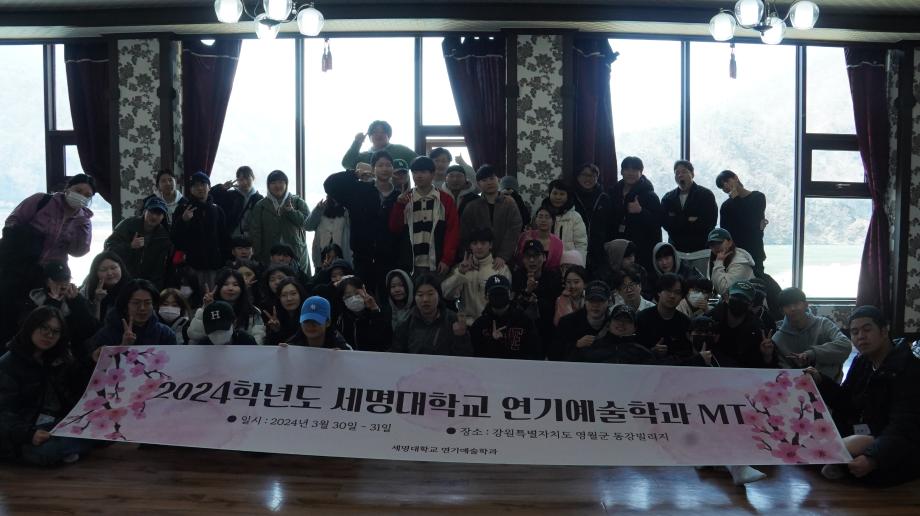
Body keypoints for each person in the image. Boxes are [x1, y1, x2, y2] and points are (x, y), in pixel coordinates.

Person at [812, 306, 920, 486]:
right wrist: (821, 381)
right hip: (866, 434)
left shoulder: (910, 369)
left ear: (884, 331)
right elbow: (846, 401)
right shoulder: (862, 361)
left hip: (894, 442)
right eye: (855, 332)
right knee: (811, 448)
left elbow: (904, 426)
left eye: (867, 330)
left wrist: (873, 458)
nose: (860, 336)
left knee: (865, 471)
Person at [0, 306, 95, 466]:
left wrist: (91, 361)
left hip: (53, 423)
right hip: (22, 432)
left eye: (55, 331)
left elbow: (77, 387)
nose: (49, 335)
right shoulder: (8, 365)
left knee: (98, 429)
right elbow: (3, 414)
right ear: (31, 327)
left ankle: (69, 448)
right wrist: (29, 434)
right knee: (47, 451)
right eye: (44, 328)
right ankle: (68, 449)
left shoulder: (57, 358)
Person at [324, 151, 402, 298]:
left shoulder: (399, 196)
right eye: (380, 165)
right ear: (373, 169)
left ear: (393, 169)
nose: (385, 168)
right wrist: (354, 174)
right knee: (363, 299)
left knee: (387, 301)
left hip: (389, 259)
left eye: (388, 165)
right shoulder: (360, 190)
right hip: (362, 258)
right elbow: (329, 185)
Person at [389, 156, 460, 276]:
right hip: (410, 264)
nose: (418, 176)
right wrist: (399, 206)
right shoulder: (405, 198)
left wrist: (447, 259)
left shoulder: (445, 199)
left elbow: (453, 231)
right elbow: (395, 228)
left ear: (432, 174)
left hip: (437, 263)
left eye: (423, 172)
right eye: (415, 172)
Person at [3, 173, 95, 266]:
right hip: (19, 262)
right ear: (68, 188)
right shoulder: (41, 200)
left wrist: (82, 224)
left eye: (87, 195)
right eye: (78, 191)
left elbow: (78, 252)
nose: (81, 196)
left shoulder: (84, 221)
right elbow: (12, 221)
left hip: (52, 270)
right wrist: (20, 239)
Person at [2, 261, 97, 349]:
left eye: (66, 279)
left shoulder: (76, 300)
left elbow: (90, 329)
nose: (63, 285)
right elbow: (32, 332)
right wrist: (53, 303)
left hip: (68, 353)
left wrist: (77, 302)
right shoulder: (32, 301)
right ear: (47, 282)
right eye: (58, 280)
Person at [772, 287, 852, 381]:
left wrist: (812, 354)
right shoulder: (778, 338)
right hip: (796, 384)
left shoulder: (823, 324)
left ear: (806, 305)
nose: (793, 308)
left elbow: (846, 345)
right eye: (787, 306)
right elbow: (783, 369)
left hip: (828, 382)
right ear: (782, 311)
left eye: (796, 303)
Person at [171, 172, 230, 289]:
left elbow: (224, 237)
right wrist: (183, 220)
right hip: (190, 266)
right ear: (190, 189)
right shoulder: (183, 208)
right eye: (195, 185)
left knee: (212, 295)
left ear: (209, 187)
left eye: (203, 184)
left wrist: (225, 260)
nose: (199, 188)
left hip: (214, 265)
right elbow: (174, 238)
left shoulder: (217, 210)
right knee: (191, 297)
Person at [442, 227, 512, 326]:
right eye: (475, 243)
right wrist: (460, 273)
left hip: (491, 325)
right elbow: (446, 294)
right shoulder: (462, 267)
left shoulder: (501, 269)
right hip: (467, 325)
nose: (479, 247)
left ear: (490, 245)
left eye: (483, 243)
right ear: (470, 246)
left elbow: (506, 300)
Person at [390, 274, 473, 356]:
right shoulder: (406, 323)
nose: (425, 299)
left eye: (430, 294)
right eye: (420, 295)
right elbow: (396, 355)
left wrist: (460, 337)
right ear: (414, 297)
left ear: (439, 295)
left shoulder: (453, 320)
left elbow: (466, 356)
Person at [248, 170, 311, 275]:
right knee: (272, 279)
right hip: (269, 254)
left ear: (286, 184)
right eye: (273, 183)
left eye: (281, 182)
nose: (277, 186)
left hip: (295, 253)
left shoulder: (297, 201)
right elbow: (255, 232)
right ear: (268, 186)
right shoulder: (261, 205)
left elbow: (307, 224)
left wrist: (291, 211)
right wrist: (257, 255)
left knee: (296, 280)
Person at [89, 279, 178, 353]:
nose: (142, 308)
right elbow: (93, 364)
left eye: (147, 303)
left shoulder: (165, 334)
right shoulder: (106, 334)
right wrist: (122, 346)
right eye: (136, 303)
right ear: (125, 306)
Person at [460, 165, 523, 270]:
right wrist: (470, 255)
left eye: (492, 178)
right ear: (478, 184)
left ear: (498, 180)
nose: (489, 182)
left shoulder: (509, 203)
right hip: (477, 260)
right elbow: (465, 234)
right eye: (484, 180)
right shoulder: (472, 207)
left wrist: (503, 255)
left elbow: (514, 231)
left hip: (504, 260)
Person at [607, 156, 662, 273]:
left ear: (641, 172)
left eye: (635, 170)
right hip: (617, 249)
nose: (631, 173)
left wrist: (641, 211)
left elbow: (657, 224)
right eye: (627, 169)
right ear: (622, 172)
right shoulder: (612, 192)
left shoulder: (650, 196)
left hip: (641, 250)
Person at [104, 197, 173, 289]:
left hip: (147, 285)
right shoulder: (128, 225)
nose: (154, 217)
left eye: (158, 214)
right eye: (151, 212)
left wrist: (154, 289)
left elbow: (160, 269)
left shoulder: (164, 236)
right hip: (121, 280)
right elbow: (108, 250)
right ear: (144, 211)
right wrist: (130, 246)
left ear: (163, 217)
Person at [705, 280, 776, 368]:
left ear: (751, 304)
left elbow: (766, 366)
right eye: (735, 297)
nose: (739, 301)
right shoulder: (710, 320)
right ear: (727, 298)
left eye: (744, 299)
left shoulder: (758, 329)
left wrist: (767, 356)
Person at [470, 275, 543, 360]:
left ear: (511, 295)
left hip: (519, 367)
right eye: (494, 293)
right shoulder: (479, 325)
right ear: (486, 297)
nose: (498, 296)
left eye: (502, 293)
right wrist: (493, 342)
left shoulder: (525, 321)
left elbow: (535, 354)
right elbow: (475, 357)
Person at [187, 269, 265, 345]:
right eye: (225, 284)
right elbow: (194, 335)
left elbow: (258, 340)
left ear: (242, 288)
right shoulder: (210, 309)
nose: (230, 288)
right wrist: (206, 308)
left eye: (235, 285)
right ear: (218, 287)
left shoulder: (253, 312)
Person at [511, 240, 562, 351]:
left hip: (547, 329)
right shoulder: (517, 276)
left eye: (536, 255)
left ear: (544, 257)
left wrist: (537, 300)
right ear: (523, 259)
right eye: (528, 256)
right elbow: (513, 309)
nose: (532, 260)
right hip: (521, 332)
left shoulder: (553, 277)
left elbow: (555, 307)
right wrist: (527, 291)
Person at [716, 170, 768, 275]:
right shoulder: (726, 206)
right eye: (722, 186)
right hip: (735, 254)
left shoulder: (758, 197)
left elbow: (751, 222)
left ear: (736, 178)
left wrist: (736, 198)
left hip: (754, 251)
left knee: (758, 281)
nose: (725, 186)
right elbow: (725, 233)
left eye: (726, 181)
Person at [567, 305, 656, 365]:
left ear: (635, 328)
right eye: (618, 319)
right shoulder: (592, 347)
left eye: (627, 321)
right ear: (609, 323)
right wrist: (576, 347)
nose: (621, 323)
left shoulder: (643, 354)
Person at [661, 160, 718, 253]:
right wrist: (689, 220)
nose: (680, 175)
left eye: (684, 171)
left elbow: (710, 222)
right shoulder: (668, 198)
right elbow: (665, 223)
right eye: (677, 173)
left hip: (700, 248)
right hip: (676, 249)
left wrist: (677, 221)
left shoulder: (706, 195)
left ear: (692, 174)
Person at [636, 273, 693, 364]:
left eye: (677, 292)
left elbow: (687, 354)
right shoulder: (642, 318)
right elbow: (634, 352)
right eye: (668, 290)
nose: (672, 296)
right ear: (659, 292)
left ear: (682, 297)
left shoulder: (685, 322)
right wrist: (651, 352)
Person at [572, 163, 615, 275]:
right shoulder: (571, 197)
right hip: (575, 247)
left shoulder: (604, 198)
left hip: (599, 249)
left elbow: (611, 224)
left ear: (597, 178)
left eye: (592, 175)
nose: (588, 178)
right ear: (578, 177)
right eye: (584, 175)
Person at [552, 280, 611, 361]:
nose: (595, 305)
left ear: (608, 302)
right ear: (585, 301)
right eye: (591, 300)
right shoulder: (567, 323)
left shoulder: (614, 324)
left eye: (600, 300)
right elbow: (554, 354)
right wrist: (576, 345)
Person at [335, 276, 391, 351]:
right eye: (348, 296)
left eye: (356, 293)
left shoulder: (379, 312)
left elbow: (385, 340)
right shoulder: (341, 320)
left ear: (365, 291)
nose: (354, 298)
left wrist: (374, 309)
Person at [209, 166, 263, 239]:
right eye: (241, 179)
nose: (245, 182)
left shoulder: (259, 199)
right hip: (228, 238)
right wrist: (221, 188)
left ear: (253, 178)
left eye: (247, 178)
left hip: (249, 240)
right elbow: (208, 197)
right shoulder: (230, 195)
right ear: (237, 180)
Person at [342, 120, 417, 170]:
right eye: (375, 132)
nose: (379, 135)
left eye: (383, 132)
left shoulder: (400, 150)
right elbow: (346, 164)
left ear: (389, 136)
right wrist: (357, 143)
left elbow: (419, 163)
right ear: (369, 137)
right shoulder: (364, 156)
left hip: (396, 189)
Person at [541, 179, 588, 258]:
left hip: (568, 262)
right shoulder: (542, 215)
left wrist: (579, 264)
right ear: (549, 194)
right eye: (555, 193)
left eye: (562, 194)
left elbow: (581, 245)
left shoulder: (575, 217)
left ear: (567, 196)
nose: (558, 197)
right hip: (544, 261)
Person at [79, 251, 131, 322]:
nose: (109, 273)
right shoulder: (87, 290)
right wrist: (97, 301)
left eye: (113, 268)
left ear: (121, 267)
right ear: (95, 273)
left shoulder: (132, 287)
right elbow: (91, 324)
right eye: (103, 270)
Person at [305, 196, 352, 271]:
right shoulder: (321, 209)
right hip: (322, 256)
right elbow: (307, 226)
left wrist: (349, 208)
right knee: (322, 275)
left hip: (342, 255)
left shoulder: (346, 210)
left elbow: (353, 226)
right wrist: (318, 209)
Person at [284, 296, 351, 349]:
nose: (310, 325)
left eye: (316, 321)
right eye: (306, 321)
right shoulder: (291, 346)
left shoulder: (341, 346)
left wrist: (343, 356)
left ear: (328, 322)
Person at [707, 228, 755, 298]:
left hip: (744, 302)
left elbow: (724, 290)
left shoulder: (740, 263)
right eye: (712, 244)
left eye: (719, 243)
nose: (715, 247)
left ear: (730, 243)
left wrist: (719, 262)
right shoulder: (717, 258)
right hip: (732, 300)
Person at [264, 278, 308, 346]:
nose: (289, 298)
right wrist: (276, 331)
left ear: (300, 294)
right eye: (284, 295)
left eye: (293, 293)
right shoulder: (275, 319)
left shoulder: (308, 316)